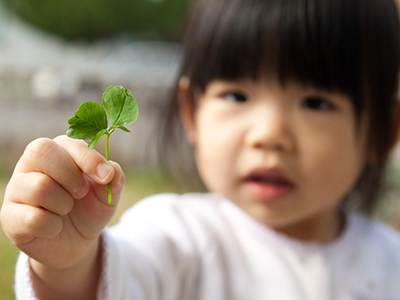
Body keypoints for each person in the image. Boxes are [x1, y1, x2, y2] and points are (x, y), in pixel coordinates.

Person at [2, 0, 400, 299]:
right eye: (237, 95)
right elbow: (114, 283)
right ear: (192, 111)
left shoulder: (390, 261)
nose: (268, 135)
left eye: (315, 102)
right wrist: (68, 263)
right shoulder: (179, 238)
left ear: (382, 130)